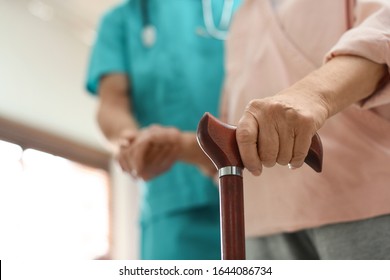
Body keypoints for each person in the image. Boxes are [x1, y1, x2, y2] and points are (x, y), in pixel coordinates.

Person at [219, 0, 390, 259]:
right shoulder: (243, 19)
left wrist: (311, 95)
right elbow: (240, 131)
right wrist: (182, 147)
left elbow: (383, 30)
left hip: (362, 209)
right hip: (259, 224)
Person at [85, 0, 241, 260]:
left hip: (261, 188)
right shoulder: (122, 21)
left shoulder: (242, 7)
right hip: (173, 203)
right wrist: (132, 140)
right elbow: (111, 104)